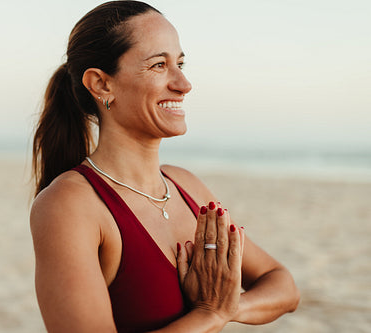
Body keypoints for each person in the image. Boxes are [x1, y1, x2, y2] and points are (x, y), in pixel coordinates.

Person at [30, 1, 300, 332]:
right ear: (101, 84)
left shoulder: (185, 184)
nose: (184, 84)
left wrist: (229, 307)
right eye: (159, 65)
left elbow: (284, 287)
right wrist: (208, 314)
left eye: (180, 63)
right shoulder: (69, 205)